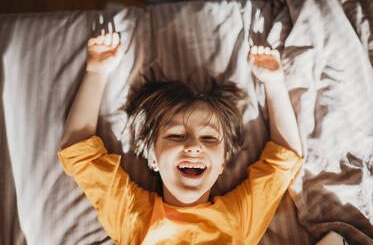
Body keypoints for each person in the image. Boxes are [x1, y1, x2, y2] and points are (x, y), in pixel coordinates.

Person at [58, 32, 303, 244]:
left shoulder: (237, 219)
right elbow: (79, 151)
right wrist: (96, 72)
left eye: (208, 138)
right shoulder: (134, 217)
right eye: (176, 135)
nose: (194, 146)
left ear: (222, 163)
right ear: (153, 157)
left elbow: (283, 161)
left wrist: (274, 83)